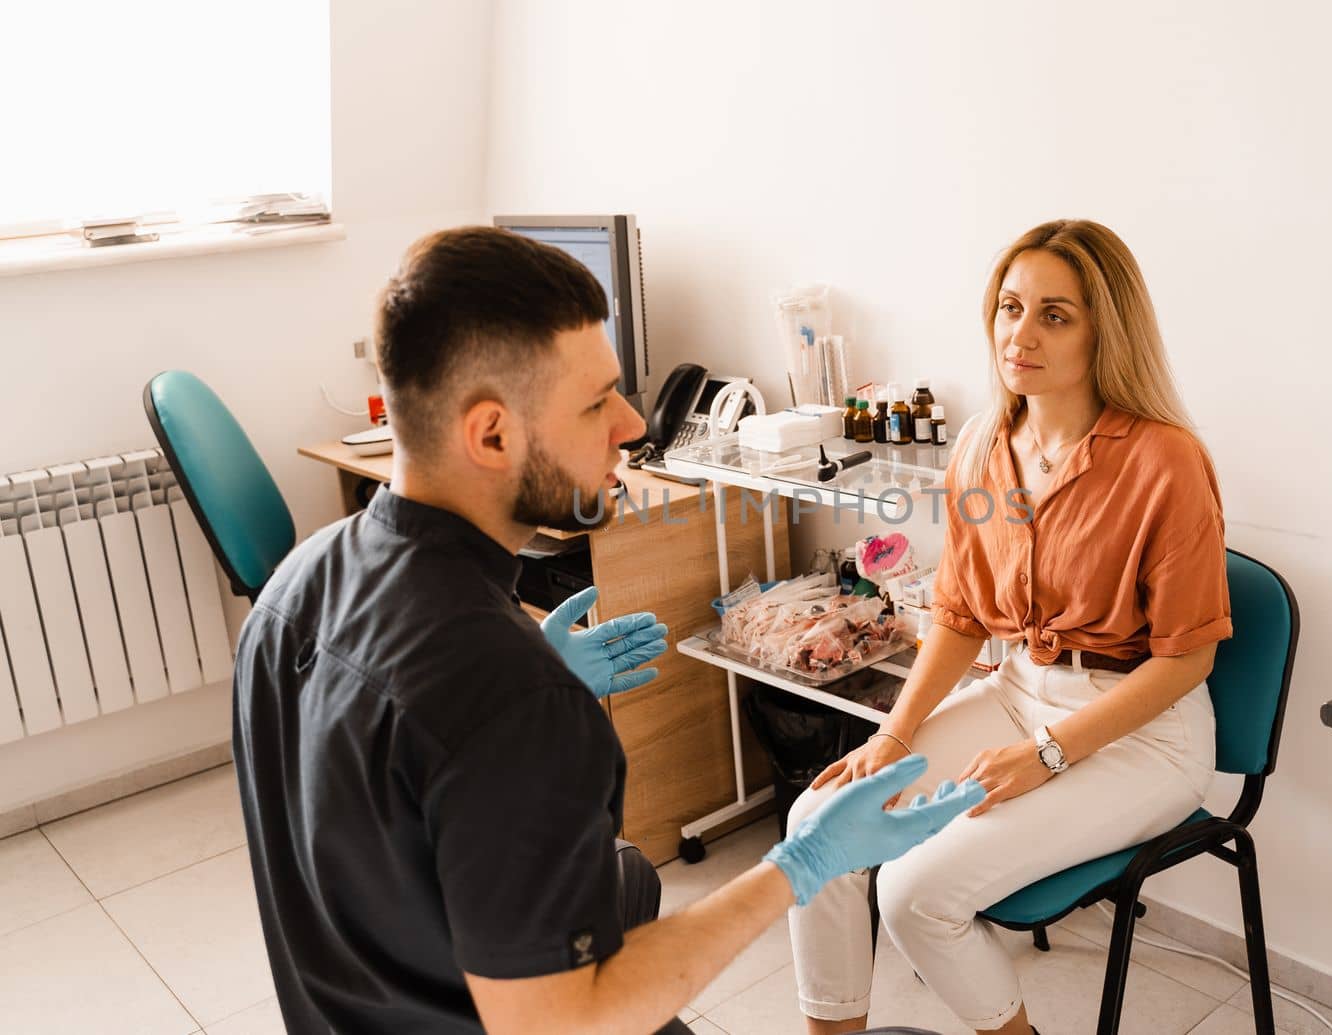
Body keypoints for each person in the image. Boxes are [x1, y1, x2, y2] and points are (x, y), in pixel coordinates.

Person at [231, 226, 985, 1035]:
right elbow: (565, 1025)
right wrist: (801, 865)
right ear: (491, 434)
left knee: (627, 880)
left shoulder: (291, 590)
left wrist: (487, 731)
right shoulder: (514, 697)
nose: (631, 425)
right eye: (596, 402)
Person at [786, 219, 1232, 1035]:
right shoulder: (983, 445)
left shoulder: (1166, 461)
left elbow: (1187, 659)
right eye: (1010, 307)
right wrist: (893, 735)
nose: (1019, 335)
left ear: (1106, 332)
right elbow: (958, 615)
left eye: (1054, 315)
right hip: (1019, 691)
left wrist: (1049, 754)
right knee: (817, 827)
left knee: (917, 893)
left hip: (1145, 732)